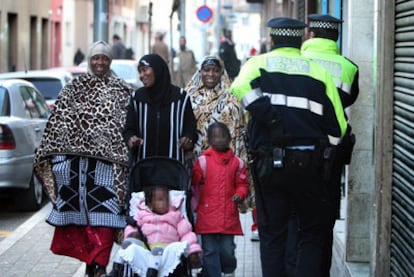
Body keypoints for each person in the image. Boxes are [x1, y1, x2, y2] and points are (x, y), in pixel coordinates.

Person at [230, 17, 347, 277]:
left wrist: (268, 116)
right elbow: (338, 129)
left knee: (272, 235)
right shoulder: (318, 72)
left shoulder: (258, 64)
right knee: (309, 235)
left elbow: (238, 87)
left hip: (269, 167)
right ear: (301, 40)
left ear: (272, 40)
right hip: (309, 169)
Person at [33, 40, 133, 277]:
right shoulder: (73, 87)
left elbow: (130, 126)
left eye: (104, 58)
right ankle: (92, 265)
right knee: (82, 224)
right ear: (89, 60)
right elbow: (57, 123)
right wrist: (54, 158)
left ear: (110, 61)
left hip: (109, 169)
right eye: (96, 58)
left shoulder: (122, 89)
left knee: (107, 219)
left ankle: (99, 265)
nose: (100, 62)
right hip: (76, 170)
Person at [301, 13, 359, 277]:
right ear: (335, 38)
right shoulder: (348, 67)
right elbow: (349, 100)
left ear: (310, 35)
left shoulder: (298, 61)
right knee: (324, 220)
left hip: (298, 149)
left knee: (296, 218)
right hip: (332, 151)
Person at [191, 122, 249, 277]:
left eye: (223, 136)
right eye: (215, 136)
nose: (219, 140)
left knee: (227, 250)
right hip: (207, 214)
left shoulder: (237, 163)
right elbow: (195, 183)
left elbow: (242, 183)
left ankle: (229, 270)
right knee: (209, 251)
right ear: (209, 140)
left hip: (228, 215)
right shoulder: (203, 161)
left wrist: (240, 194)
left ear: (229, 138)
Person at [107, 185, 202, 277]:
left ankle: (151, 273)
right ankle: (116, 270)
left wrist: (192, 251)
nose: (165, 203)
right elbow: (132, 227)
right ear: (150, 203)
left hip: (167, 252)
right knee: (127, 244)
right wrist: (132, 234)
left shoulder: (175, 215)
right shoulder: (142, 215)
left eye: (167, 199)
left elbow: (187, 234)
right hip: (146, 249)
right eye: (160, 200)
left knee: (160, 250)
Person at [122, 53, 197, 165]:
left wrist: (188, 140)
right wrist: (131, 139)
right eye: (140, 72)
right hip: (144, 168)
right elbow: (129, 128)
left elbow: (191, 128)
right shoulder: (137, 98)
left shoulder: (181, 97)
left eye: (145, 70)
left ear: (157, 69)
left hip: (173, 169)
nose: (142, 75)